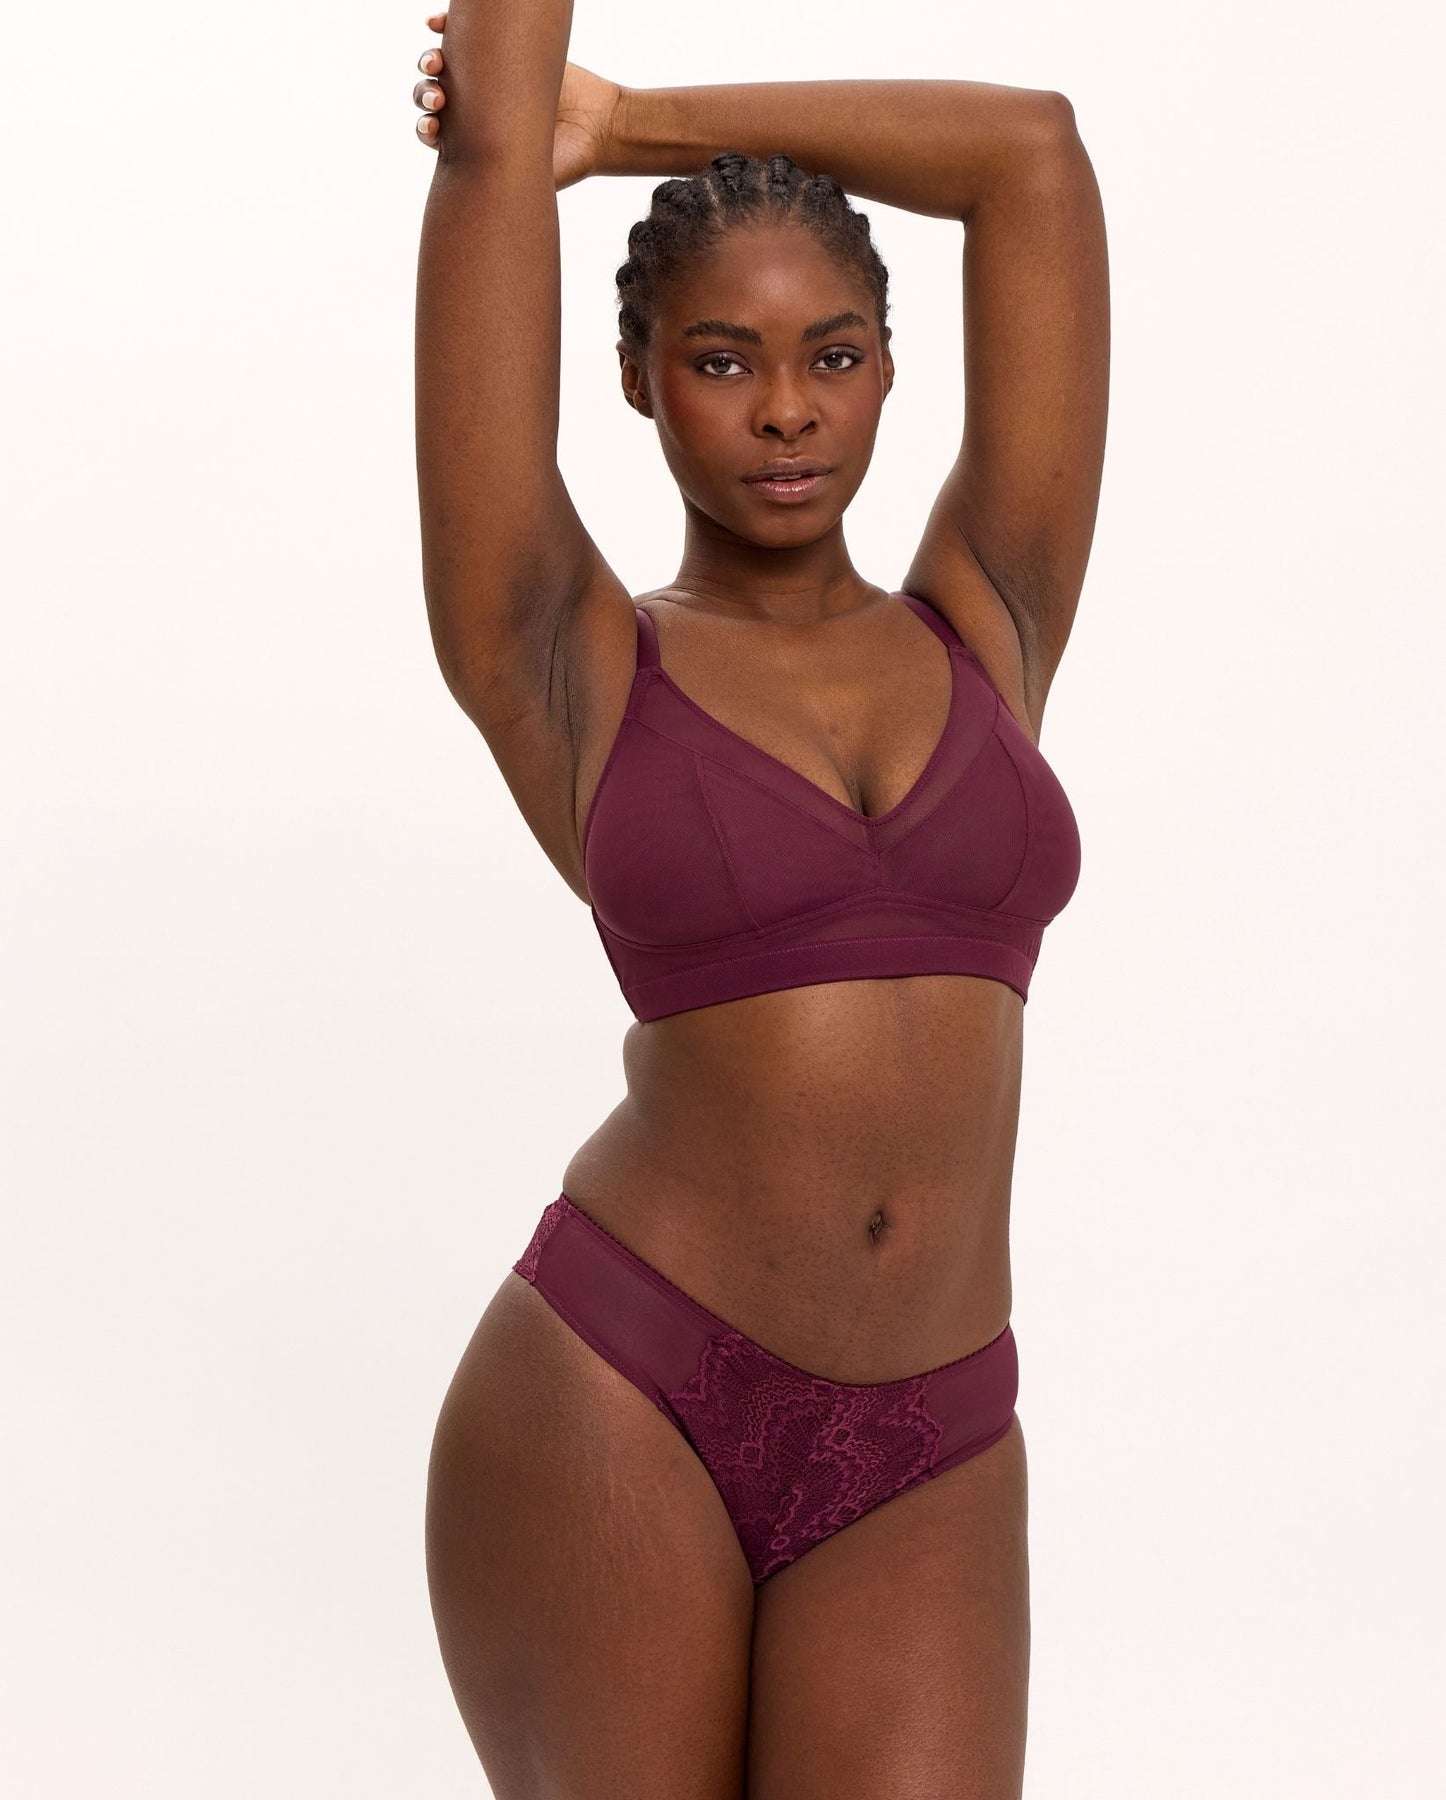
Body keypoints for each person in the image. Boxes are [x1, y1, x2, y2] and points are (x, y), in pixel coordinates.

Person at [411, 2, 1108, 1792]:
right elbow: (491, 142)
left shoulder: (990, 615)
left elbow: (1027, 152)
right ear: (635, 375)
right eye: (720, 360)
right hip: (623, 1393)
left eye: (834, 355)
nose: (787, 410)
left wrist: (635, 123)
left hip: (933, 1437)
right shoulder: (563, 654)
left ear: (886, 366)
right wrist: (526, 126)